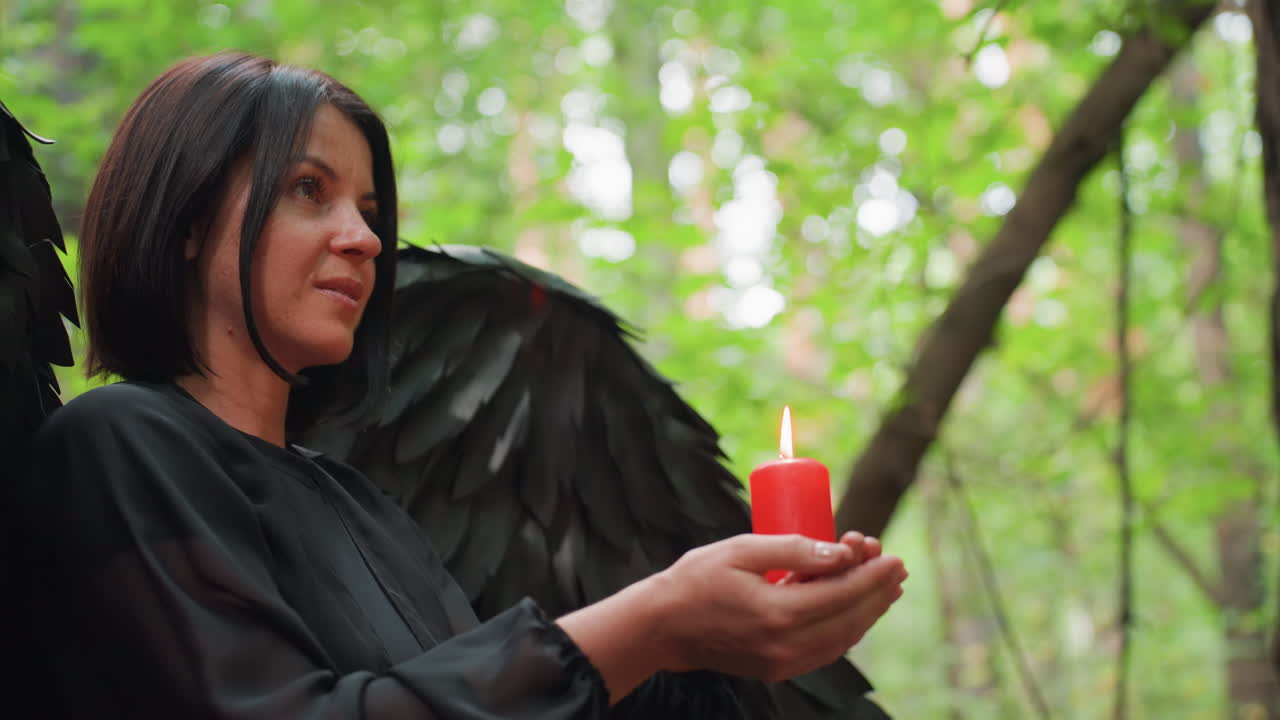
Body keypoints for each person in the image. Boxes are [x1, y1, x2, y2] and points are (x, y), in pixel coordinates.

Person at [12, 52, 908, 718]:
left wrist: (713, 638)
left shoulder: (361, 505)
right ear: (186, 221)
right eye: (308, 190)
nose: (363, 239)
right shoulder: (121, 444)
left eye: (369, 210)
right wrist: (655, 621)